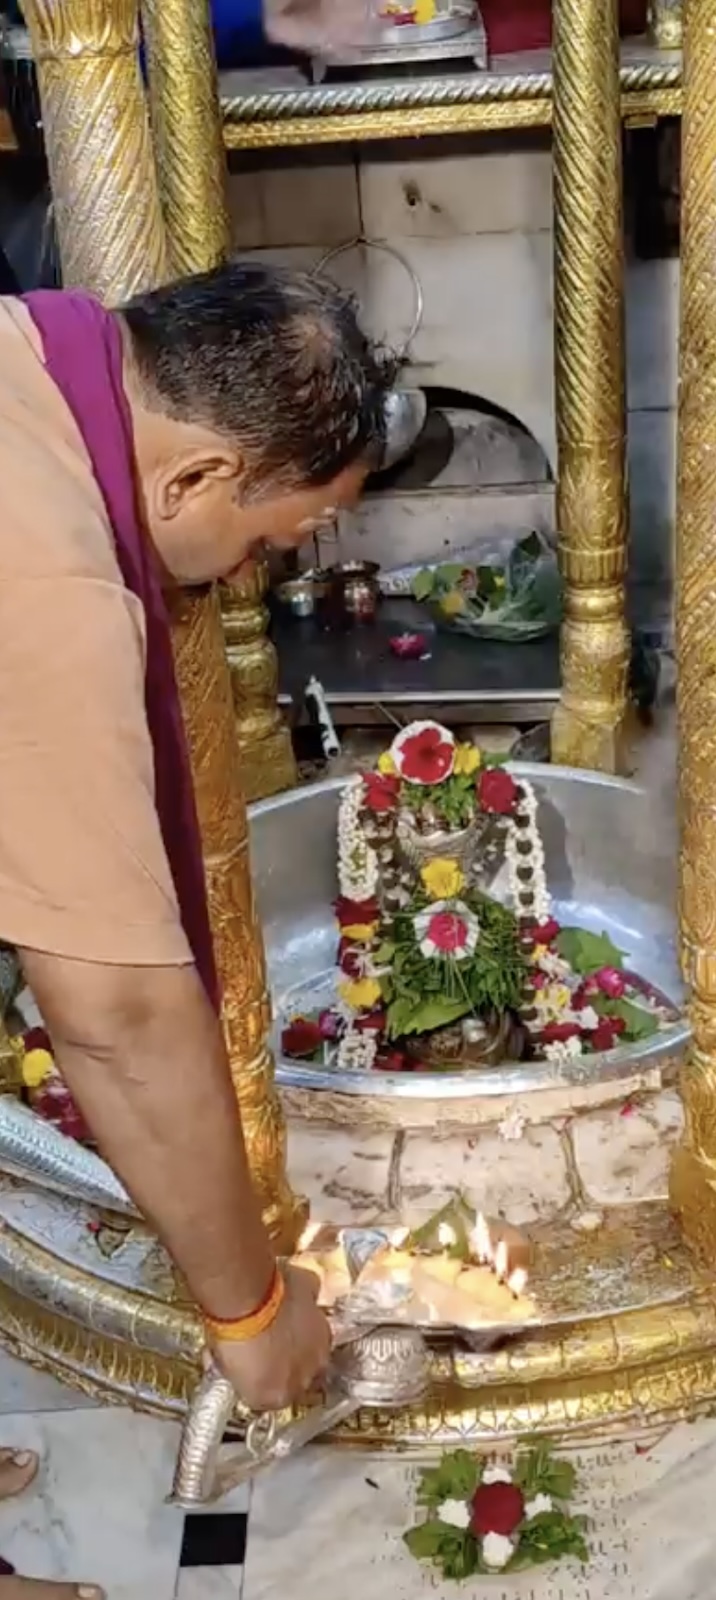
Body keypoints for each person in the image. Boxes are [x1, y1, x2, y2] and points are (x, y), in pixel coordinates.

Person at [0, 261, 391, 1599]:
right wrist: (253, 1310)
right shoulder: (43, 566)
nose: (254, 578)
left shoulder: (26, 366)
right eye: (276, 541)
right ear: (194, 479)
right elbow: (110, 1012)